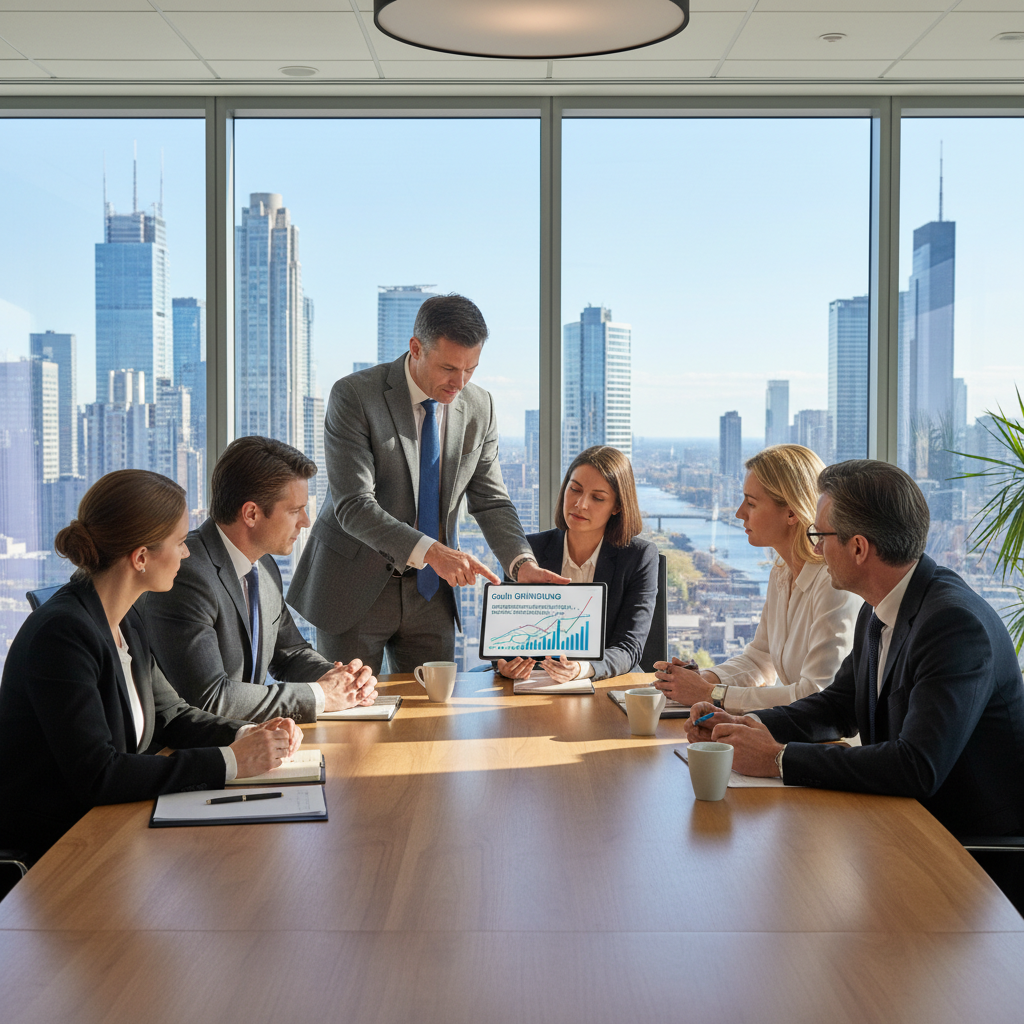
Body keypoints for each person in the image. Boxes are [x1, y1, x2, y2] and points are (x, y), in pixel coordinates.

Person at [685, 459, 1024, 837]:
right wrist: (747, 726)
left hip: (968, 853)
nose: (816, 548)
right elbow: (837, 706)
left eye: (821, 537)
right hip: (900, 823)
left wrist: (779, 758)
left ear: (859, 548)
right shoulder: (879, 607)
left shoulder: (954, 626)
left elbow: (916, 766)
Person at [0, 470, 301, 861]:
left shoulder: (126, 617)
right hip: (60, 851)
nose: (187, 552)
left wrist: (247, 733)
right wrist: (232, 761)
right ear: (140, 557)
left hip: (114, 831)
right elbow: (100, 774)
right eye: (179, 542)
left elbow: (171, 715)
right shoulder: (63, 635)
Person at [288, 293, 567, 674]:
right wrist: (435, 552)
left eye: (471, 369)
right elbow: (353, 505)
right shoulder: (355, 396)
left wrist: (521, 563)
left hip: (431, 594)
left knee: (432, 716)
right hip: (353, 586)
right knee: (350, 714)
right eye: (449, 368)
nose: (460, 382)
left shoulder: (479, 406)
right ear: (416, 348)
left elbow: (491, 501)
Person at [143, 436, 377, 724]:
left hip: (255, 741)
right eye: (294, 510)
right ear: (251, 513)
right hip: (199, 752)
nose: (305, 521)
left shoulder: (263, 565)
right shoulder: (187, 575)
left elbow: (290, 654)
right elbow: (210, 697)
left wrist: (344, 681)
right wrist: (321, 696)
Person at [653, 444, 862, 712]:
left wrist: (711, 693)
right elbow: (760, 660)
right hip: (792, 733)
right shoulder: (781, 572)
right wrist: (703, 679)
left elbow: (816, 693)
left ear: (791, 512)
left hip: (827, 746)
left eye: (751, 503)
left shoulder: (834, 585)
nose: (739, 513)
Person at [496, 446, 658, 683]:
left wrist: (584, 669)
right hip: (537, 684)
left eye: (597, 498)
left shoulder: (639, 557)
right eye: (575, 490)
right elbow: (504, 639)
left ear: (617, 506)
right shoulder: (527, 553)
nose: (581, 504)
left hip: (607, 685)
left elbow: (629, 647)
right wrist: (505, 664)